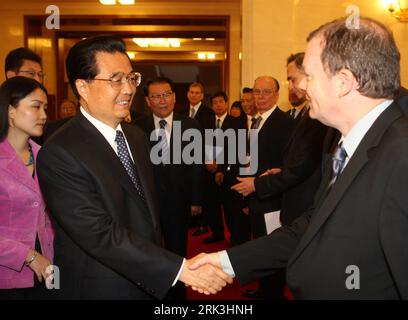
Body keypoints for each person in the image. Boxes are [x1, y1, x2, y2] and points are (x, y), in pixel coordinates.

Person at [191, 17, 408, 299]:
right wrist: (226, 261)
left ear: (343, 82)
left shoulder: (401, 156)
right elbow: (314, 223)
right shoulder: (342, 141)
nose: (302, 87)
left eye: (309, 75)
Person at [36, 35, 231, 300]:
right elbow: (99, 234)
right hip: (102, 286)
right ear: (82, 86)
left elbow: (146, 214)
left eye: (131, 78)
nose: (128, 89)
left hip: (147, 280)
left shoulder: (135, 137)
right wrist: (179, 268)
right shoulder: (60, 152)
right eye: (116, 79)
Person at [231, 52, 328, 299]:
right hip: (265, 193)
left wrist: (260, 184)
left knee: (277, 253)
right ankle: (267, 291)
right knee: (266, 248)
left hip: (279, 198)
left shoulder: (297, 120)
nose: (292, 87)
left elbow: (300, 168)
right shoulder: (252, 121)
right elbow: (292, 163)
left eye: (292, 80)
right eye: (256, 92)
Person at [134, 76, 203, 299]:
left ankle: (176, 297)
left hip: (178, 201)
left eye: (166, 95)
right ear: (147, 100)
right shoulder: (136, 129)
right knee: (149, 252)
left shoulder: (190, 125)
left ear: (174, 97)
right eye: (156, 96)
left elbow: (195, 167)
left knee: (177, 252)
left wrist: (196, 200)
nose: (162, 101)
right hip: (147, 204)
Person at [0, 76, 54, 299]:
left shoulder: (46, 156)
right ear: (10, 110)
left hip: (48, 269)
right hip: (8, 277)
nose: (43, 115)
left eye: (45, 107)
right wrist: (28, 256)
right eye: (35, 107)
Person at [185, 82, 214, 237]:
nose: (194, 95)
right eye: (191, 92)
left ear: (202, 95)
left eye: (197, 93)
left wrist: (207, 158)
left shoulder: (208, 112)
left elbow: (209, 137)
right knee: (189, 188)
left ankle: (203, 223)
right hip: (185, 158)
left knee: (203, 191)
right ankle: (191, 221)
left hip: (202, 158)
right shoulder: (182, 111)